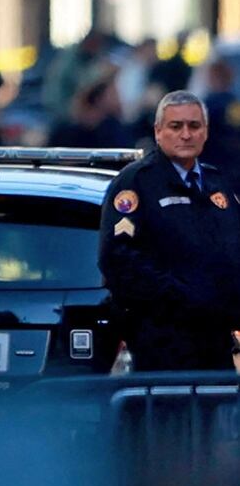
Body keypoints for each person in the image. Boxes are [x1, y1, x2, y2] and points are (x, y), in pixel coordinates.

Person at [98, 90, 240, 371]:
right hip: (162, 343)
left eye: (194, 126)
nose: (185, 135)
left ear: (206, 132)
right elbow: (118, 258)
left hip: (215, 341)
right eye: (176, 126)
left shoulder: (217, 182)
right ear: (158, 131)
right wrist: (179, 296)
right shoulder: (137, 183)